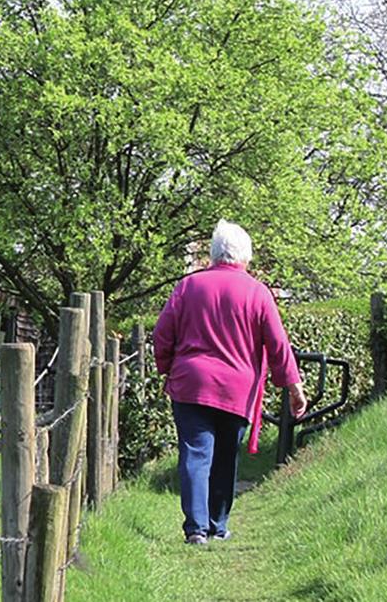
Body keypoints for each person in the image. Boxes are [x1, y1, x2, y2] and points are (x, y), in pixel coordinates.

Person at [153, 219, 307, 545]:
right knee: (225, 457)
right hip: (237, 389)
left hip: (191, 383)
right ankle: (217, 524)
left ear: (213, 254)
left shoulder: (188, 286)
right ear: (244, 258)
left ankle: (196, 529)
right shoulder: (258, 293)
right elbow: (278, 344)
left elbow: (162, 333)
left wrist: (166, 366)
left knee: (195, 455)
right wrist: (293, 386)